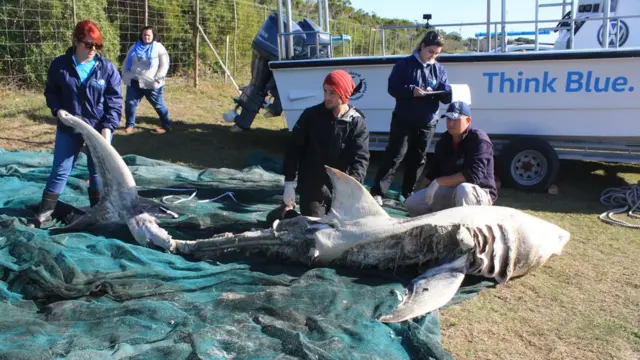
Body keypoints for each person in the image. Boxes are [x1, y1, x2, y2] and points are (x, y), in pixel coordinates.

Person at [31, 19, 123, 228]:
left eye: (97, 46)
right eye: (88, 44)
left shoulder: (107, 69)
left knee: (98, 172)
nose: (93, 50)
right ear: (75, 41)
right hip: (69, 128)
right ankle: (45, 212)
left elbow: (115, 102)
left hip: (98, 131)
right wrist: (57, 109)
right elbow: (51, 91)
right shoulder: (60, 65)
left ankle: (99, 211)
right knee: (60, 170)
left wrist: (108, 128)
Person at [369, 30, 452, 206]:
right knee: (395, 155)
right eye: (430, 52)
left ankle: (407, 193)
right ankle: (378, 192)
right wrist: (411, 91)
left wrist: (448, 93)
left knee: (419, 159)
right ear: (422, 47)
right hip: (404, 119)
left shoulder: (440, 69)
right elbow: (392, 88)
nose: (433, 56)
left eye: (437, 54)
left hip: (428, 122)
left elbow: (445, 95)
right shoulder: (404, 65)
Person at [281, 69, 370, 217]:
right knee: (315, 230)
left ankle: (287, 214)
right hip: (313, 188)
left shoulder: (357, 123)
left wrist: (352, 186)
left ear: (344, 95)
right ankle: (285, 215)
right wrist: (289, 183)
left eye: (332, 93)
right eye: (325, 91)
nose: (327, 97)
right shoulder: (311, 116)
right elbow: (293, 148)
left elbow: (360, 159)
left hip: (341, 190)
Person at [403, 101, 498, 217]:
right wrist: (427, 190)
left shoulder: (479, 140)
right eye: (448, 119)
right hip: (451, 191)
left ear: (468, 121)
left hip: (478, 194)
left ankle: (466, 229)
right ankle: (440, 222)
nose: (451, 124)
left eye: (456, 120)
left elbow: (473, 176)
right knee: (411, 203)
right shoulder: (444, 140)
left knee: (464, 189)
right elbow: (433, 173)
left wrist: (438, 182)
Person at [121, 25, 171, 134]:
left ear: (153, 36)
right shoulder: (134, 47)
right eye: (144, 34)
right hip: (134, 81)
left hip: (151, 83)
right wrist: (124, 74)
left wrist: (157, 79)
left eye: (149, 35)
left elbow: (164, 64)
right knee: (130, 103)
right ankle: (129, 125)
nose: (146, 37)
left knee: (158, 105)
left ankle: (166, 126)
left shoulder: (158, 48)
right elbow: (126, 61)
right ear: (141, 35)